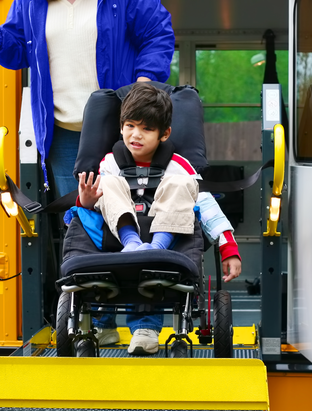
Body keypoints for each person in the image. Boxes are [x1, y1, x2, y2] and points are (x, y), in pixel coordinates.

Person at [75, 83, 242, 354]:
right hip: (119, 239)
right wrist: (87, 199)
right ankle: (131, 250)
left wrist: (228, 246)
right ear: (120, 127)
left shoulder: (179, 166)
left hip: (164, 240)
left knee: (181, 185)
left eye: (146, 129)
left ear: (164, 134)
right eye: (130, 126)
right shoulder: (110, 163)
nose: (135, 135)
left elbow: (206, 206)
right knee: (108, 183)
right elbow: (95, 205)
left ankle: (146, 322)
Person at [0, 0, 175, 198]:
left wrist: (142, 89)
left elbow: (157, 34)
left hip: (122, 129)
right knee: (77, 219)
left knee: (129, 210)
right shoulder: (28, 3)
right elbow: (20, 50)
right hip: (64, 134)